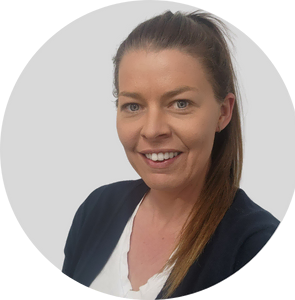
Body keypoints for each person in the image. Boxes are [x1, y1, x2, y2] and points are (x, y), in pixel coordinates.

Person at [62, 10, 280, 300]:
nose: (152, 131)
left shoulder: (259, 245)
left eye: (180, 103)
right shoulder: (97, 210)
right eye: (133, 106)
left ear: (223, 112)